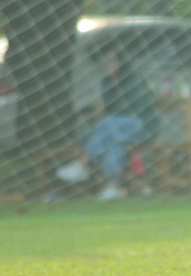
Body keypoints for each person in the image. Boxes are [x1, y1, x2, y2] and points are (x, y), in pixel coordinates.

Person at [57, 39, 159, 199]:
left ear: (121, 61)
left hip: (140, 127)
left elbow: (137, 111)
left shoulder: (134, 81)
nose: (108, 64)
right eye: (106, 61)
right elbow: (110, 110)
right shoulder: (108, 82)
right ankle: (114, 186)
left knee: (107, 125)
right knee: (115, 146)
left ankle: (83, 163)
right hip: (117, 131)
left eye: (112, 61)